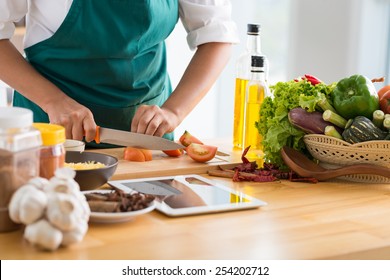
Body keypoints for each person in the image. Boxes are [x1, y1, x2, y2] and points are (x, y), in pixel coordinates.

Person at [0, 0, 239, 147]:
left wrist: (173, 111)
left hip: (146, 141)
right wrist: (53, 101)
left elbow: (216, 36)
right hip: (52, 132)